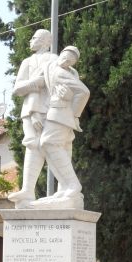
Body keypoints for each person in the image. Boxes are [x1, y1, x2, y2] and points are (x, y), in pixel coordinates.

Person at [8, 29, 58, 207]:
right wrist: (34, 83)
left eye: (34, 37)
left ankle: (65, 189)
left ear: (45, 41)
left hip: (48, 109)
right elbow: (17, 88)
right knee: (32, 145)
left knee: (52, 145)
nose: (30, 40)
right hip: (29, 110)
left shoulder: (54, 59)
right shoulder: (27, 62)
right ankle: (27, 190)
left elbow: (55, 83)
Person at [35, 45, 90, 208]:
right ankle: (65, 186)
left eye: (71, 61)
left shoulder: (64, 73)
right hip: (53, 112)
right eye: (67, 56)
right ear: (62, 54)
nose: (67, 61)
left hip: (61, 114)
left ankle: (73, 184)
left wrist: (73, 114)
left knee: (48, 143)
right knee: (59, 147)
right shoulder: (49, 66)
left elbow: (84, 92)